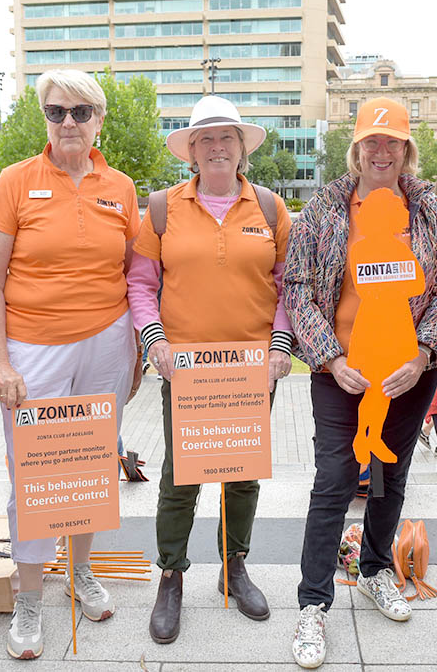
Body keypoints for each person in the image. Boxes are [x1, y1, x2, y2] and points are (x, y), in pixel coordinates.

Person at [0, 68, 142, 661]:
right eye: (55, 112)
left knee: (93, 462)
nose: (67, 122)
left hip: (107, 341)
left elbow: (131, 272)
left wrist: (136, 348)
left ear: (99, 118)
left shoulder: (120, 187)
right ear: (44, 118)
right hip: (33, 345)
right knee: (37, 472)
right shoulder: (15, 180)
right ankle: (27, 597)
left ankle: (80, 570)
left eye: (79, 112)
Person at [285, 97, 437, 669]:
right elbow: (298, 287)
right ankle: (312, 605)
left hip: (407, 375)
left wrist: (425, 350)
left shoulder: (429, 212)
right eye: (372, 142)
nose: (382, 151)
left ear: (407, 150)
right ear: (356, 151)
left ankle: (376, 569)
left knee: (391, 475)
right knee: (334, 479)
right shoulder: (325, 209)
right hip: (342, 371)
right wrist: (329, 358)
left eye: (393, 142)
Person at [126, 94, 293, 644]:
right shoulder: (161, 208)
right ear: (191, 152)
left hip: (251, 369)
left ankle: (234, 566)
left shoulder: (270, 208)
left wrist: (280, 346)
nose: (217, 147)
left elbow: (288, 286)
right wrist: (155, 342)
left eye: (227, 137)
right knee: (181, 475)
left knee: (242, 473)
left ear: (242, 148)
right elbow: (142, 284)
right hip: (187, 370)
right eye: (205, 139)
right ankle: (171, 574)